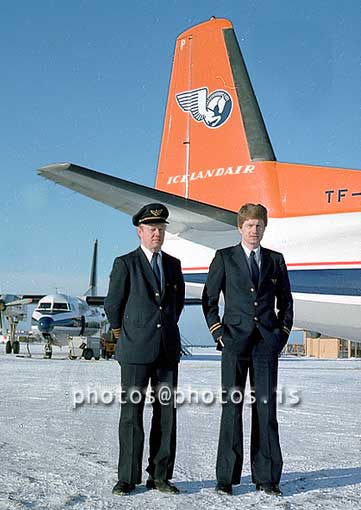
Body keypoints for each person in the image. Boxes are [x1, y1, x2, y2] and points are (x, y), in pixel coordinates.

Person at [202, 203, 293, 496]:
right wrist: (218, 332)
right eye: (250, 226)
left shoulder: (275, 260)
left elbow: (286, 303)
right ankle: (226, 478)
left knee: (265, 410)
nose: (254, 231)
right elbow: (210, 299)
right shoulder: (224, 258)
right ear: (240, 228)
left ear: (265, 228)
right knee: (232, 409)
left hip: (266, 344)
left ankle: (267, 477)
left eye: (259, 226)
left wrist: (280, 335)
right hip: (234, 343)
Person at [104, 203, 185, 496]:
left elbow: (174, 307)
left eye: (161, 229)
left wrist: (162, 331)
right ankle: (127, 477)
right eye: (152, 229)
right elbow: (113, 305)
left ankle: (160, 476)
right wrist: (123, 334)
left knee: (166, 414)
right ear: (140, 231)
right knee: (131, 414)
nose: (157, 234)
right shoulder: (125, 263)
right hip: (135, 351)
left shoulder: (173, 265)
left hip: (166, 351)